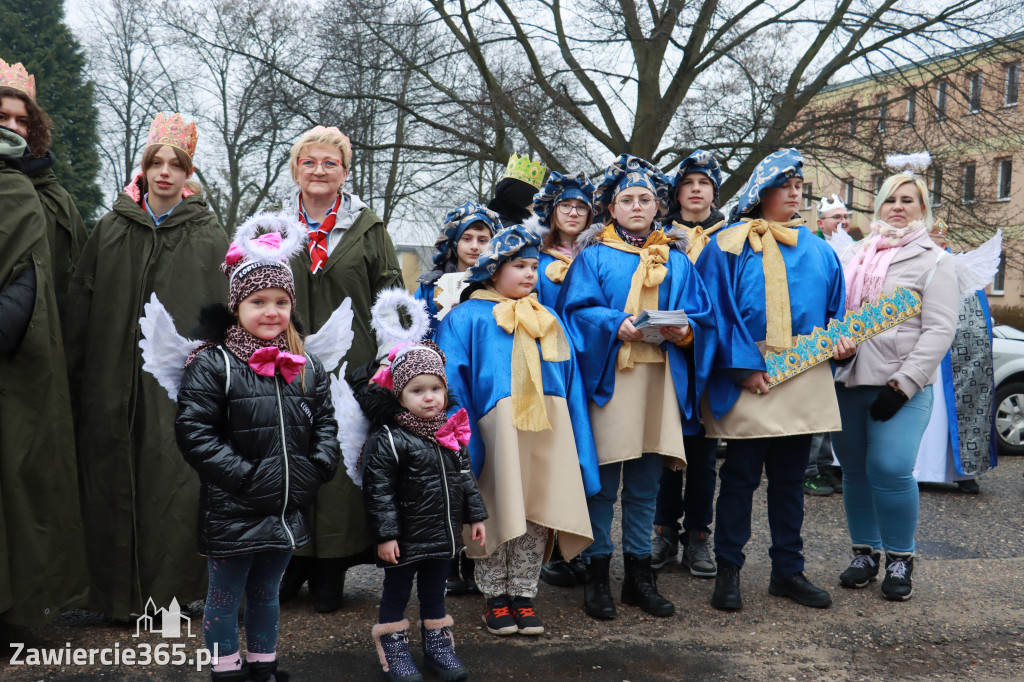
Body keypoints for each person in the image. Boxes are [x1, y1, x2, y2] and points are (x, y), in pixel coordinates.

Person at [65, 113, 228, 620]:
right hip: (109, 377)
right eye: (155, 163)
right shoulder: (112, 227)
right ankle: (113, 595)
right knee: (109, 474)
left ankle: (168, 595)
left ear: (187, 172)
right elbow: (82, 301)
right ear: (143, 168)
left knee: (171, 476)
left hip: (174, 383)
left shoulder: (206, 233)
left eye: (174, 165)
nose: (164, 173)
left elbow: (221, 309)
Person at [175, 215, 339, 681]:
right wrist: (247, 477)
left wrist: (318, 467)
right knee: (225, 594)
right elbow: (196, 434)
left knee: (268, 591)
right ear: (237, 306)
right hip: (234, 504)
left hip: (287, 505)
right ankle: (225, 670)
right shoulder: (214, 364)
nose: (271, 311)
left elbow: (326, 422)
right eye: (258, 301)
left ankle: (264, 666)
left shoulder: (306, 365)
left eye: (281, 301)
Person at [558, 154, 718, 620]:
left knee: (647, 484)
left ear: (657, 206)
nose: (636, 206)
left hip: (658, 381)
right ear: (610, 208)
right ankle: (597, 576)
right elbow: (574, 313)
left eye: (645, 199)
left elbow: (701, 316)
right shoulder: (593, 257)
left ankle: (638, 579)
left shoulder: (677, 260)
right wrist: (615, 323)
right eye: (626, 199)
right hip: (613, 381)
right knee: (604, 486)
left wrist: (685, 332)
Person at [695, 148, 853, 612]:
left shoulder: (820, 249)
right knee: (740, 477)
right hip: (749, 374)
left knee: (789, 479)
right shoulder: (728, 244)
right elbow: (713, 311)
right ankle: (728, 571)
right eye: (786, 186)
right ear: (762, 193)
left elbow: (835, 312)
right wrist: (742, 366)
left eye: (799, 186)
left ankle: (788, 571)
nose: (795, 193)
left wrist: (844, 344)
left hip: (803, 372)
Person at [436, 223, 598, 637]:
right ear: (493, 270)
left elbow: (571, 382)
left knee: (536, 509)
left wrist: (577, 439)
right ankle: (494, 597)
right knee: (496, 506)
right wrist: (464, 443)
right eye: (519, 266)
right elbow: (452, 382)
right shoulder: (466, 318)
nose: (530, 274)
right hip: (496, 434)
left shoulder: (549, 318)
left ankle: (524, 595)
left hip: (547, 427)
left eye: (533, 266)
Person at [279, 125, 405, 613]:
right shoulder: (272, 227)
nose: (319, 170)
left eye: (330, 162)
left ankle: (329, 565)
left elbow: (390, 297)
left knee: (337, 459)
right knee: (289, 453)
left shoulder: (368, 228)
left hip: (350, 366)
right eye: (309, 162)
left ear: (345, 171)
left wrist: (392, 358)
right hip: (284, 360)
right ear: (296, 169)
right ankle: (292, 559)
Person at [833, 172, 958, 601]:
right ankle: (864, 553)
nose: (898, 207)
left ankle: (901, 557)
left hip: (900, 387)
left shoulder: (936, 261)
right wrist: (836, 346)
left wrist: (904, 384)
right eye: (890, 200)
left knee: (889, 467)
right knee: (853, 471)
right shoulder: (854, 254)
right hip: (846, 379)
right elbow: (835, 316)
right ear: (878, 206)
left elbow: (940, 331)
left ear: (923, 208)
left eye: (909, 200)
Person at [0, 123, 88, 627]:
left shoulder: (22, 194)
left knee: (23, 489)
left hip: (19, 368)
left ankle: (23, 610)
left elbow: (31, 279)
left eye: (18, 119)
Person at [362, 341, 488, 681]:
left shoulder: (450, 432)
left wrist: (475, 516)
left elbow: (465, 476)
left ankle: (437, 645)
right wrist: (386, 535)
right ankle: (393, 646)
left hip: (442, 534)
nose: (429, 397)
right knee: (397, 591)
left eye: (436, 388)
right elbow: (379, 491)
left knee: (435, 592)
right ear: (400, 395)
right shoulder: (390, 438)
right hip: (405, 538)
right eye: (417, 390)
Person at [650, 150, 726, 578]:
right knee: (665, 449)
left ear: (714, 191)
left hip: (711, 354)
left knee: (702, 453)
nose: (696, 190)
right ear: (677, 192)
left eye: (704, 183)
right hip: (666, 354)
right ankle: (663, 532)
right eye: (688, 183)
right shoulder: (658, 238)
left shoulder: (732, 236)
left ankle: (699, 535)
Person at [528, 170, 596, 587]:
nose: (573, 212)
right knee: (552, 455)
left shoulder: (600, 255)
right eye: (565, 206)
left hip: (593, 365)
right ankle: (550, 548)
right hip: (550, 367)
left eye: (581, 207)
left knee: (585, 454)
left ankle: (580, 546)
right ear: (552, 212)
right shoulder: (533, 258)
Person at [0, 58, 88, 322]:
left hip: (38, 334)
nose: (12, 127)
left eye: (22, 120)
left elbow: (77, 280)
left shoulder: (56, 200)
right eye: (2, 117)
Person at [914, 221, 998, 495]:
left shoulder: (956, 267)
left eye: (940, 240)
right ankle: (917, 471)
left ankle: (961, 473)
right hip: (920, 357)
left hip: (952, 361)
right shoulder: (912, 265)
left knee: (952, 414)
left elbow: (975, 320)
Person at [803, 194, 854, 497]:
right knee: (814, 408)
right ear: (820, 223)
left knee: (829, 409)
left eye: (845, 216)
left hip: (843, 339)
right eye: (836, 218)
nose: (842, 222)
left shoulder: (857, 249)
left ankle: (825, 466)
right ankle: (808, 471)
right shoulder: (815, 250)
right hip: (818, 337)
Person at [415, 203, 502, 338]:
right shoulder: (430, 287)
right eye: (467, 238)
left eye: (482, 240)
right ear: (455, 243)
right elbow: (412, 331)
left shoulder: (501, 287)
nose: (474, 246)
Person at [486, 153, 546, 226]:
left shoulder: (487, 222)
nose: (533, 204)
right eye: (532, 199)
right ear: (520, 198)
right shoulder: (515, 230)